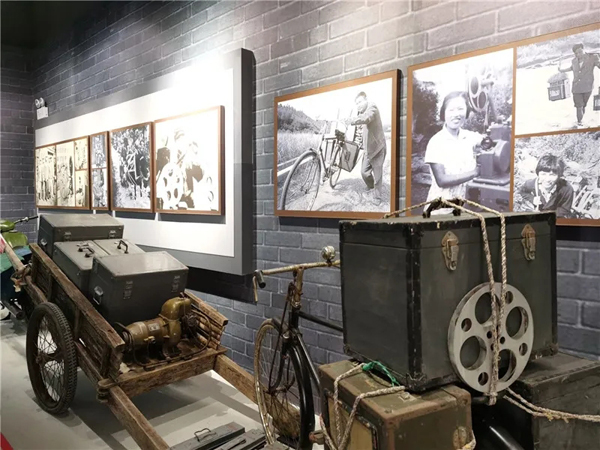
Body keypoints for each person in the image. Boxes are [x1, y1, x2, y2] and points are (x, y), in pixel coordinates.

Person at [424, 91, 482, 214]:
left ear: (466, 112)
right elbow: (442, 180)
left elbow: (490, 141)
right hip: (441, 210)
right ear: (444, 113)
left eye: (460, 109)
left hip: (465, 208)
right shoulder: (436, 142)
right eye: (451, 110)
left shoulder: (470, 137)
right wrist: (475, 173)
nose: (456, 114)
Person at [344, 91, 386, 205]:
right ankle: (371, 186)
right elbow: (360, 132)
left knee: (377, 175)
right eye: (356, 103)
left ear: (366, 99)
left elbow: (366, 118)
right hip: (368, 149)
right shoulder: (361, 113)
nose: (358, 105)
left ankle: (377, 197)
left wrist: (351, 120)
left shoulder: (372, 107)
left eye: (360, 102)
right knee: (364, 172)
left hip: (378, 148)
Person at [558, 43, 600, 128]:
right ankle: (579, 122)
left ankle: (581, 121)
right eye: (576, 53)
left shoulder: (592, 57)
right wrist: (562, 70)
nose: (578, 54)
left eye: (580, 52)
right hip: (576, 87)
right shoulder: (574, 61)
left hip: (588, 86)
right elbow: (572, 68)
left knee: (583, 105)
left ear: (583, 49)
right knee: (579, 106)